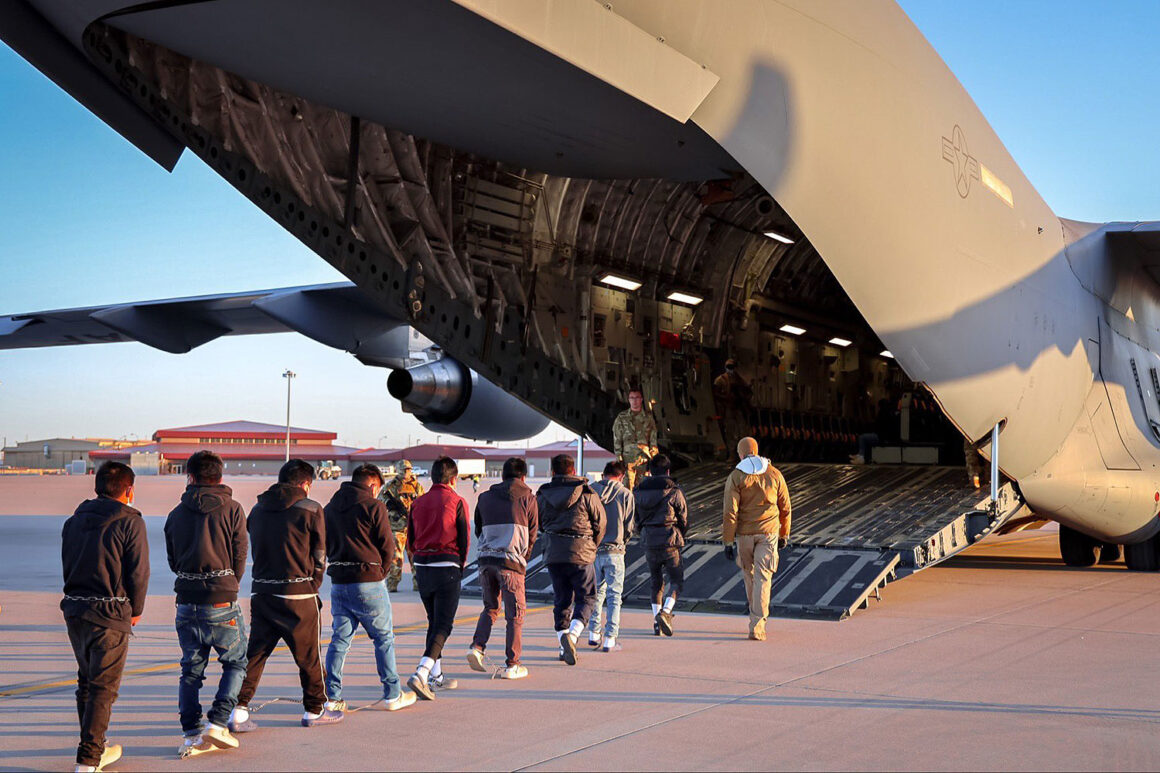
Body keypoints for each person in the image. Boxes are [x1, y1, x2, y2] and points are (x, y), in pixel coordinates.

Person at [231, 459, 342, 731]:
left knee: (255, 655)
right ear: (305, 484)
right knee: (309, 656)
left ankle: (238, 708)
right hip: (299, 594)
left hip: (263, 592)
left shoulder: (257, 509)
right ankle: (314, 709)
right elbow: (320, 553)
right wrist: (313, 583)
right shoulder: (311, 508)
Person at [61, 461, 149, 773]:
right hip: (109, 613)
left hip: (75, 610)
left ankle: (96, 746)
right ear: (129, 490)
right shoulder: (130, 521)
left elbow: (67, 564)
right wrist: (136, 609)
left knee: (87, 682)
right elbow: (138, 572)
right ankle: (88, 759)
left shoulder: (74, 520)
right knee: (102, 688)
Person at [163, 450, 248, 758]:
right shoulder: (234, 509)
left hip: (186, 599)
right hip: (221, 597)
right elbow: (240, 556)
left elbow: (173, 560)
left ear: (191, 477)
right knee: (236, 662)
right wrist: (229, 584)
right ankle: (218, 721)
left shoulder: (175, 514)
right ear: (220, 476)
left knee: (190, 670)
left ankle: (190, 733)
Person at [322, 464, 416, 713]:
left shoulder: (329, 508)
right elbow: (388, 546)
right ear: (373, 485)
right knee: (383, 638)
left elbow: (324, 543)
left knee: (340, 640)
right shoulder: (374, 506)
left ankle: (332, 696)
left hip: (339, 582)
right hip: (368, 581)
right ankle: (392, 693)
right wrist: (380, 573)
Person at [466, 457, 538, 680]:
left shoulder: (485, 497)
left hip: (486, 561)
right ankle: (513, 664)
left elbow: (478, 528)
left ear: (503, 475)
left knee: (490, 607)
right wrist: (523, 557)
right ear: (523, 476)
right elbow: (533, 533)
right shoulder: (528, 497)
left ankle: (477, 647)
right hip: (511, 562)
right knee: (515, 615)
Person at [406, 456, 470, 700]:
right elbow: (464, 541)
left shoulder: (417, 502)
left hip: (422, 566)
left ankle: (437, 676)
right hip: (447, 565)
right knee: (444, 624)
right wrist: (460, 567)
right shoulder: (456, 501)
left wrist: (417, 562)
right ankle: (422, 672)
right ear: (453, 479)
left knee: (433, 621)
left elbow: (410, 540)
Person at [536, 454, 606, 666]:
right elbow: (600, 523)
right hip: (581, 552)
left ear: (553, 472)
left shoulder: (543, 494)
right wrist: (591, 545)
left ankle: (562, 644)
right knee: (587, 598)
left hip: (554, 553)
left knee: (562, 599)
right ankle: (573, 637)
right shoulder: (586, 492)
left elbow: (537, 523)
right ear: (573, 470)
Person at [722, 437, 792, 641]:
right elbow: (785, 507)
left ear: (740, 454)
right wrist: (784, 533)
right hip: (769, 533)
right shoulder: (774, 473)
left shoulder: (735, 476)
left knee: (749, 576)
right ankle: (757, 625)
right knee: (764, 578)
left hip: (744, 535)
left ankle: (754, 617)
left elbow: (730, 512)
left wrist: (727, 540)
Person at [633, 455, 688, 637]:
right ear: (668, 471)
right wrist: (680, 534)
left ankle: (657, 624)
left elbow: (636, 520)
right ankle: (666, 612)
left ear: (649, 471)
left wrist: (644, 531)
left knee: (656, 582)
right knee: (676, 581)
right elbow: (684, 518)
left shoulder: (638, 491)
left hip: (649, 541)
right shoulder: (674, 491)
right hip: (670, 540)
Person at [587, 460, 635, 652]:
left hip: (593, 550)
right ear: (621, 476)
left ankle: (593, 633)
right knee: (615, 596)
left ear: (603, 474)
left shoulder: (591, 491)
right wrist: (623, 540)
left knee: (596, 594)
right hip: (615, 550)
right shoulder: (625, 494)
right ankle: (610, 638)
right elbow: (630, 525)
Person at [380, 460, 424, 592]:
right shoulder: (390, 487)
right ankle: (392, 584)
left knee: (415, 557)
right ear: (398, 470)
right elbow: (380, 502)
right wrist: (390, 506)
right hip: (396, 527)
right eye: (404, 470)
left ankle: (418, 583)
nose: (406, 472)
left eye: (408, 470)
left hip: (413, 527)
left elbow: (423, 503)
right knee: (395, 558)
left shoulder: (417, 486)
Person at [612, 387, 658, 488]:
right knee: (627, 490)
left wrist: (654, 459)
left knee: (643, 490)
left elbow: (653, 440)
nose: (634, 401)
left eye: (637, 398)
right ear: (629, 400)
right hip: (627, 461)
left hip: (643, 460)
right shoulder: (622, 417)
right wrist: (619, 457)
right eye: (632, 398)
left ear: (641, 399)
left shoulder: (648, 418)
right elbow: (617, 438)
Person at [714, 358, 754, 459]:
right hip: (728, 408)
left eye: (732, 367)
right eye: (729, 367)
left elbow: (747, 393)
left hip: (738, 409)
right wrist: (726, 399)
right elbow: (715, 393)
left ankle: (743, 455)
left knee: (742, 433)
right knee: (730, 433)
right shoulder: (721, 379)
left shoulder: (740, 380)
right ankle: (732, 454)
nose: (730, 369)